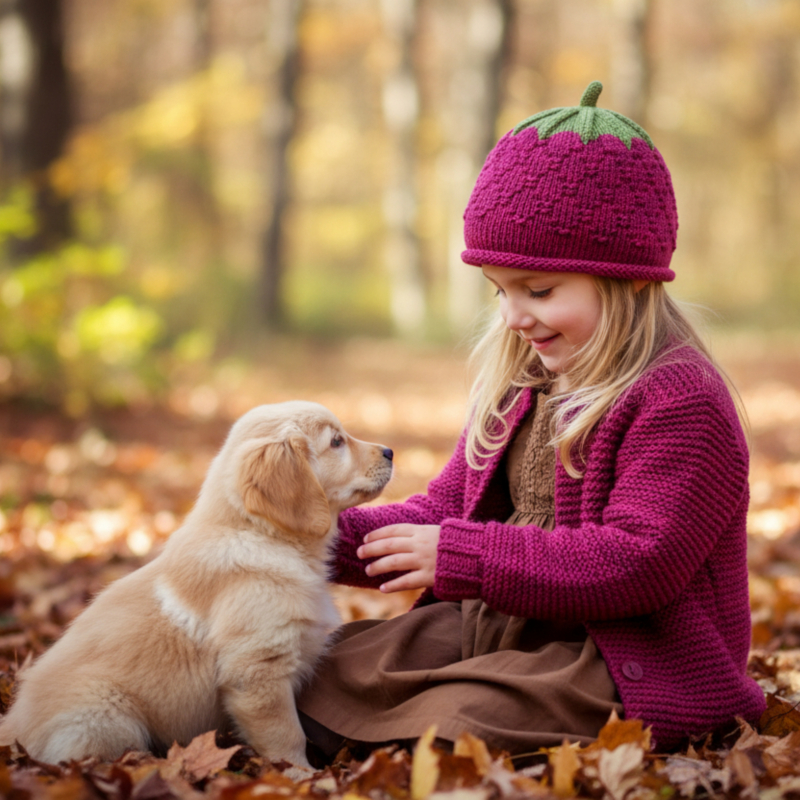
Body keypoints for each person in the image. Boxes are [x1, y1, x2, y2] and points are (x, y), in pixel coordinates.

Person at [296, 81, 766, 756]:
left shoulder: (679, 398)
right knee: (317, 669)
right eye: (500, 291)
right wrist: (307, 535)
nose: (514, 316)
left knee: (459, 718)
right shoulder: (525, 380)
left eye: (538, 290)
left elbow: (637, 562)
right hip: (499, 621)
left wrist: (457, 556)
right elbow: (447, 509)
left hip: (619, 657)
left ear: (632, 277)